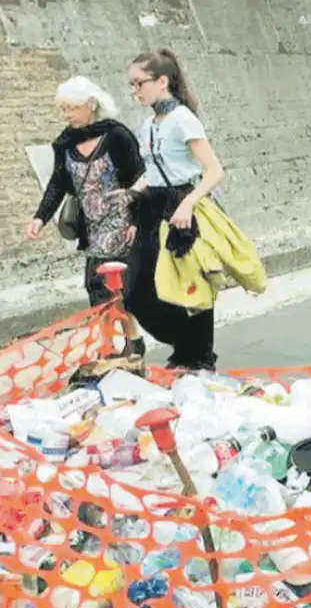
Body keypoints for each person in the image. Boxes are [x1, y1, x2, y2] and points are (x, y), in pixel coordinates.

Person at [119, 48, 226, 371]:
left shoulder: (183, 119)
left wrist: (188, 204)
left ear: (162, 81)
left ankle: (198, 355)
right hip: (153, 205)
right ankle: (184, 344)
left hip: (183, 203)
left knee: (190, 281)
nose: (134, 90)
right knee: (136, 290)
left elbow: (214, 170)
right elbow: (151, 171)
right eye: (131, 84)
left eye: (139, 83)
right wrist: (130, 193)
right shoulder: (148, 124)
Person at [25, 77, 145, 310]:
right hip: (92, 228)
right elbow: (57, 183)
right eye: (62, 109)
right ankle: (114, 343)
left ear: (90, 104)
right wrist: (40, 218)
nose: (65, 115)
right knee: (98, 289)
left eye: (71, 108)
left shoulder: (117, 136)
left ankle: (129, 340)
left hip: (124, 224)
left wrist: (137, 222)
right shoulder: (65, 143)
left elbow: (139, 178)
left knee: (124, 291)